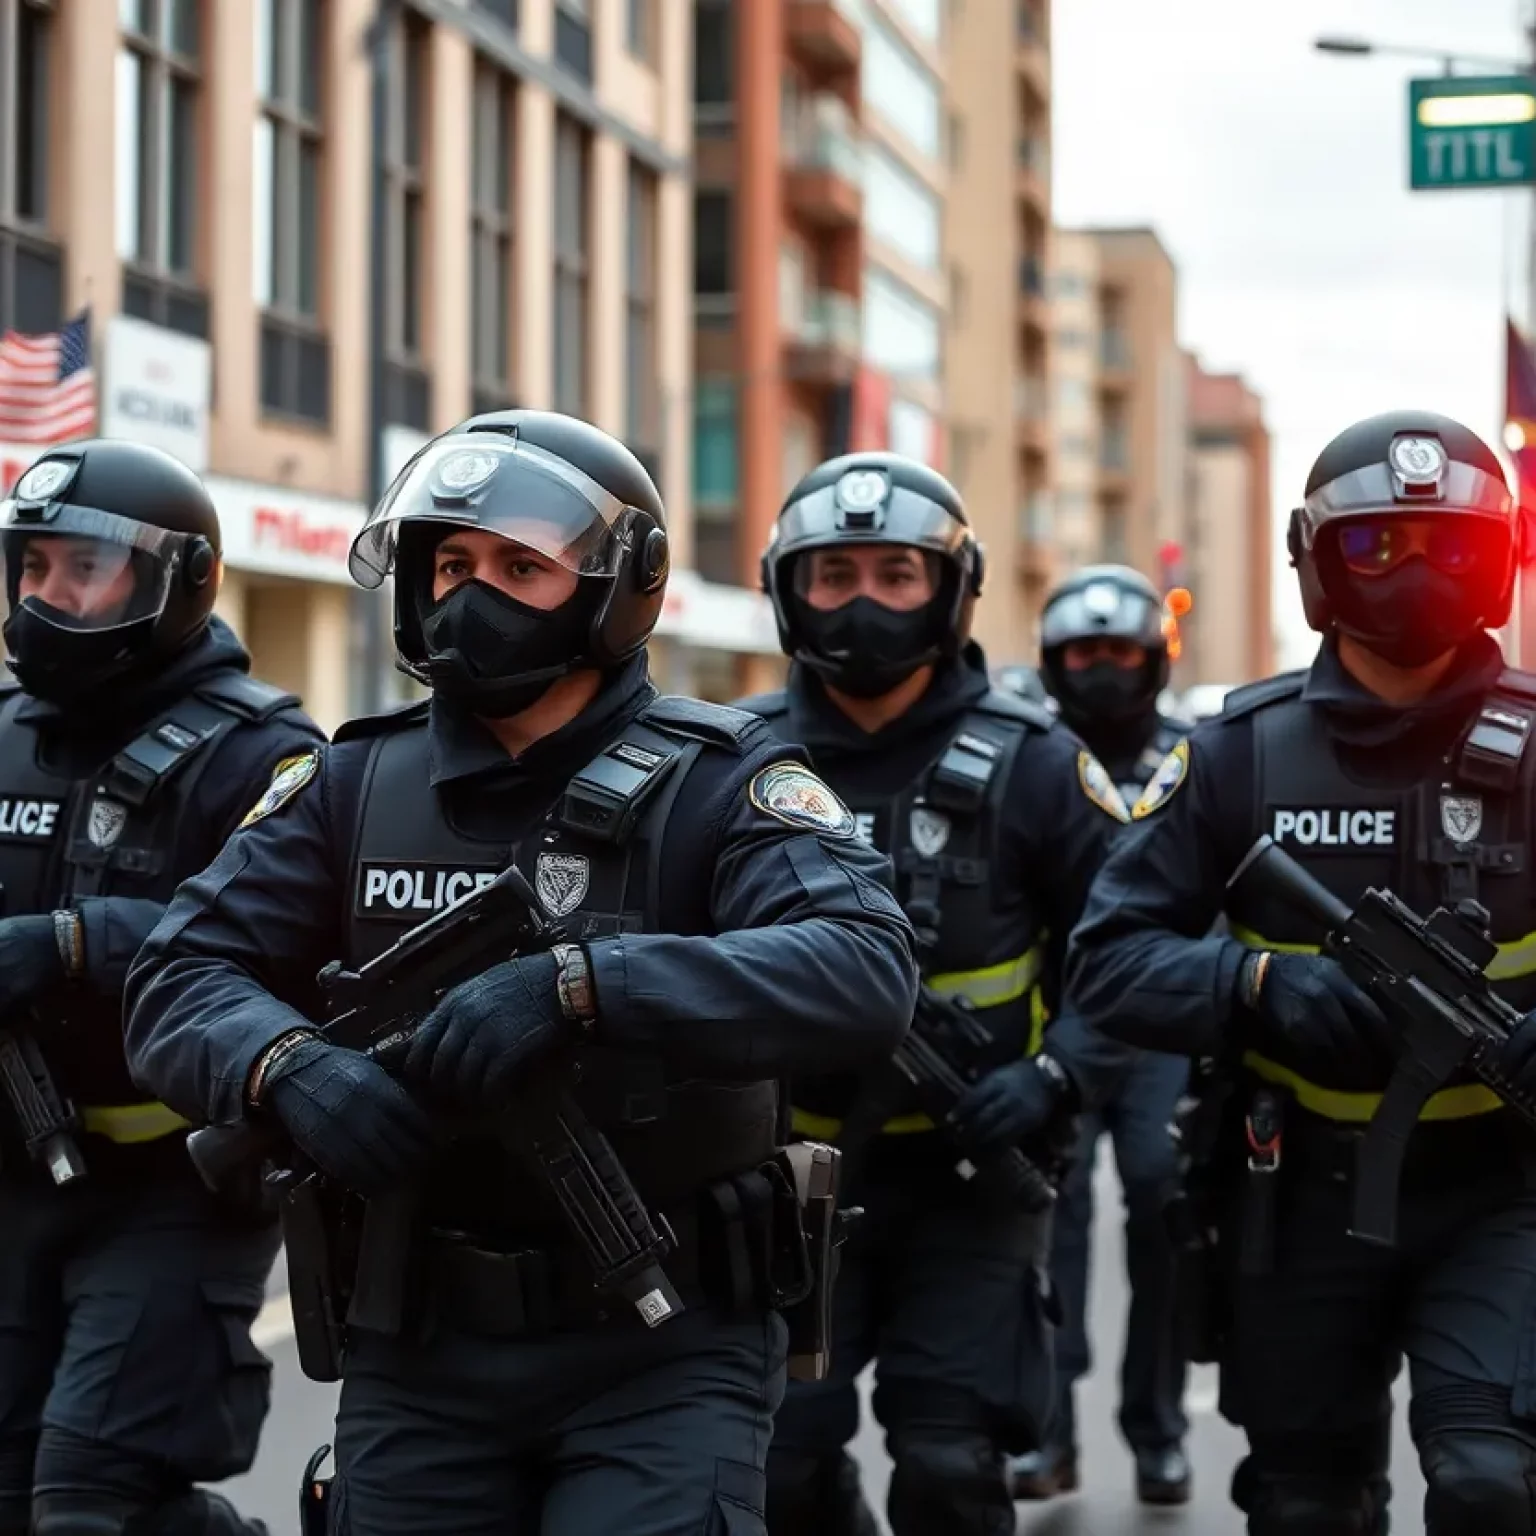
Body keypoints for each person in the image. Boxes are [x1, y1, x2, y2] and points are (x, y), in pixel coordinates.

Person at [122, 410, 919, 1536]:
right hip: (420, 1336)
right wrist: (284, 1066)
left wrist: (586, 987)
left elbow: (863, 968)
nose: (470, 597)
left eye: (519, 567)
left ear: (616, 585)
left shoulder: (723, 779)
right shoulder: (351, 782)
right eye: (451, 564)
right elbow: (179, 975)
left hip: (667, 1339)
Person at [1065, 409, 1536, 1534]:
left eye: (1452, 548)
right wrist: (1257, 990)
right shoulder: (1238, 754)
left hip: (1505, 1189)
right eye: (1377, 545)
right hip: (1297, 1189)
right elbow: (1108, 963)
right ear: (1317, 562)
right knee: (1304, 1505)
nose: (1414, 572)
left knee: (1485, 1482)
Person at [739, 452, 1134, 1536]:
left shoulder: (1041, 765)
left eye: (897, 576)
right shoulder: (727, 759)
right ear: (788, 589)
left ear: (952, 589)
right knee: (779, 1474)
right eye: (836, 575)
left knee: (953, 1470)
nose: (864, 602)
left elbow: (1132, 956)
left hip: (972, 1178)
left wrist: (1057, 1077)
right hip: (781, 1186)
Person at [0, 440, 324, 1536]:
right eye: (33, 568)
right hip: (12, 1172)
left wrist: (74, 940)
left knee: (95, 1501)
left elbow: (292, 955)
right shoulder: (1, 734)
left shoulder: (267, 754)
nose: (48, 597)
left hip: (172, 1184)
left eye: (82, 572)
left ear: (174, 584)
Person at [1007, 564, 1194, 1505]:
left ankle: (1157, 1430)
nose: (1103, 670)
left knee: (1163, 1201)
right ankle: (1050, 1434)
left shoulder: (1198, 753)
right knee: (1051, 1218)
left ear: (1154, 660)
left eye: (1121, 652)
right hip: (1062, 1024)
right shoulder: (1026, 757)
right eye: (1084, 653)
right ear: (1051, 661)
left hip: (1163, 1028)